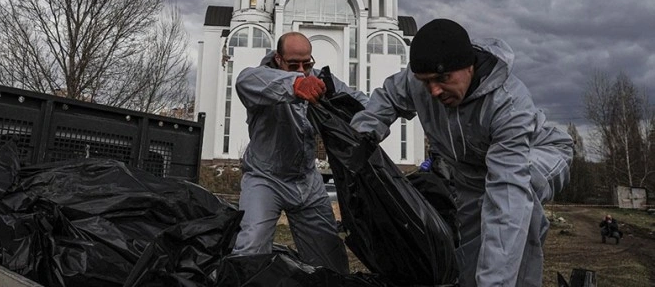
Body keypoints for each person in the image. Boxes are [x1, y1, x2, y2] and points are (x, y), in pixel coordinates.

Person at [350, 19, 574, 286]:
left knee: (520, 207)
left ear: (469, 66)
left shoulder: (507, 104)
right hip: (471, 174)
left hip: (538, 154)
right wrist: (363, 134)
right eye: (426, 82)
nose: (433, 91)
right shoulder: (419, 82)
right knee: (470, 247)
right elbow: (388, 97)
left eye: (443, 79)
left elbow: (507, 197)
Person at [233, 31, 368, 274]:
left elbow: (356, 100)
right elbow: (244, 81)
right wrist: (295, 85)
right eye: (293, 64)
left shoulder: (318, 80)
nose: (301, 70)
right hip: (265, 180)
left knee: (331, 260)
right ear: (278, 59)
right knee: (250, 249)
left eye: (307, 64)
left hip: (308, 182)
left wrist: (379, 116)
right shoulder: (262, 79)